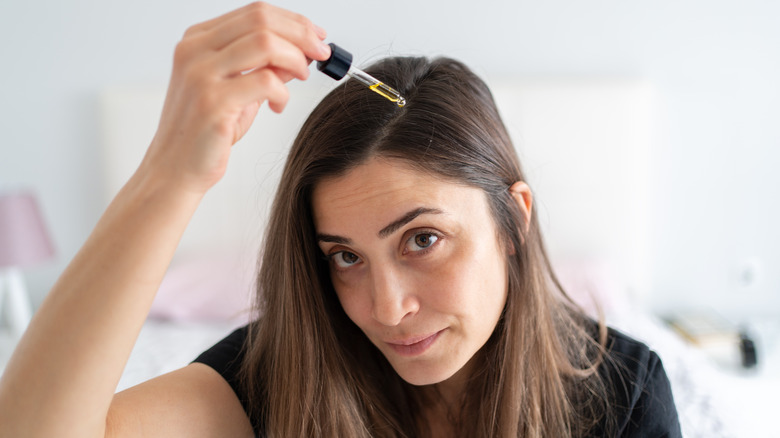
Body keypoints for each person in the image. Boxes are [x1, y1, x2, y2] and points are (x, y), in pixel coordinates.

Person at [0, 2, 681, 437]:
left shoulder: (621, 394)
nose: (387, 308)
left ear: (513, 222)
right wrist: (169, 175)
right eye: (345, 256)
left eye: (423, 239)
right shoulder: (278, 374)